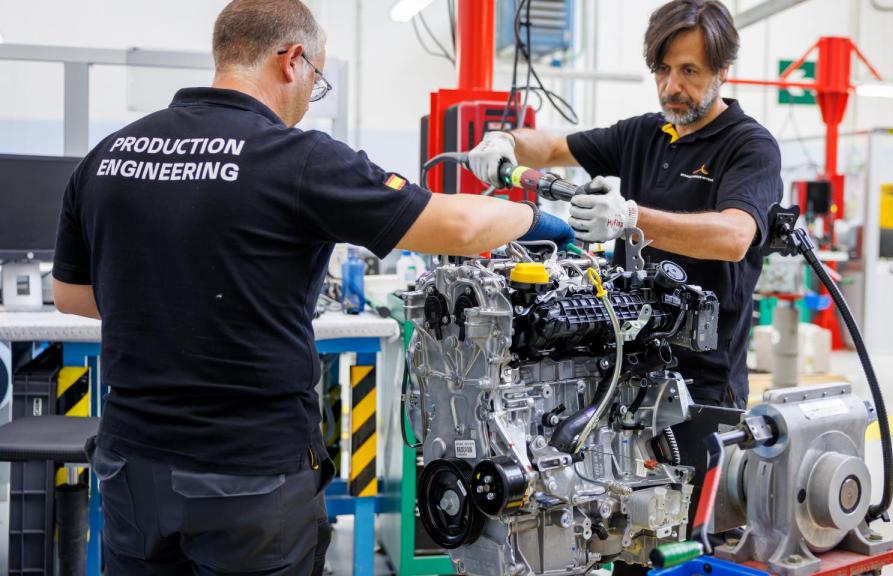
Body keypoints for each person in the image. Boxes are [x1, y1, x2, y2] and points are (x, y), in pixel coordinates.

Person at [51, 0, 573, 573]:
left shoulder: (109, 154)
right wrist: (541, 219)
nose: (309, 96)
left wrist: (169, 299)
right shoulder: (296, 157)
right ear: (292, 59)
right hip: (249, 476)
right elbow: (462, 226)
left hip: (131, 466)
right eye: (316, 79)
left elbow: (70, 294)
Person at [467, 0, 782, 410]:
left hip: (703, 382)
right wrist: (505, 140)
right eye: (663, 70)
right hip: (623, 369)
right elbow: (553, 147)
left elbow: (735, 237)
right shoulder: (643, 134)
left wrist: (629, 218)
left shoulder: (749, 145)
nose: (671, 87)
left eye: (689, 71)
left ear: (722, 70)